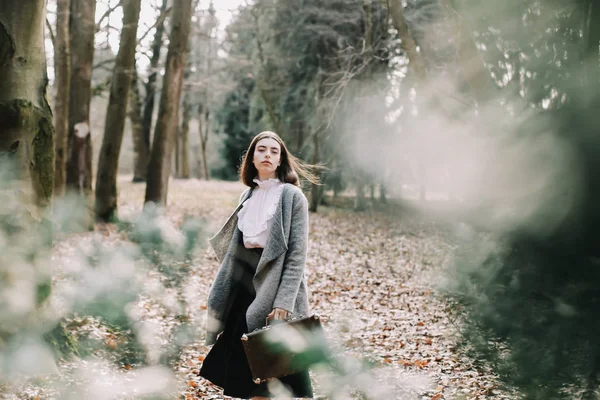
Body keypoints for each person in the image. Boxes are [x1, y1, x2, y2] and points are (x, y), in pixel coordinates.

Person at [199, 131, 319, 399]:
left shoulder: (292, 197)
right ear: (252, 157)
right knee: (248, 374)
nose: (267, 155)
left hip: (275, 286)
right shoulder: (247, 196)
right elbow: (235, 250)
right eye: (262, 150)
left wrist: (283, 302)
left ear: (280, 160)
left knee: (275, 371)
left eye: (274, 151)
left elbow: (297, 255)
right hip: (244, 289)